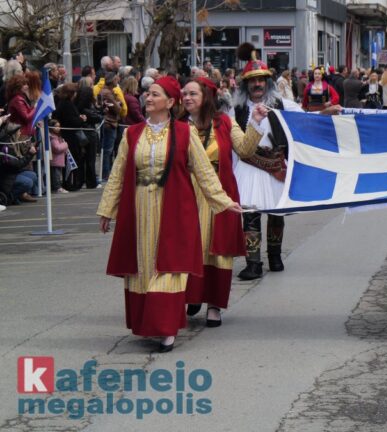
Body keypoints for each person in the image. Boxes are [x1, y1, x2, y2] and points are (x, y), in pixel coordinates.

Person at [97, 76, 243, 352]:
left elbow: (203, 172)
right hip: (139, 208)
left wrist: (223, 202)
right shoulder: (132, 134)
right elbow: (117, 174)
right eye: (147, 94)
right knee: (142, 267)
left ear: (170, 102)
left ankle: (165, 328)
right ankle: (148, 323)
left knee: (169, 266)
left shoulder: (184, 134)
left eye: (154, 94)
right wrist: (107, 209)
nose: (148, 99)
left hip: (174, 209)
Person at [179, 76, 264, 326]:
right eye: (185, 94)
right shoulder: (179, 126)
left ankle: (214, 305)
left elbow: (246, 150)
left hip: (220, 193)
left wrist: (255, 124)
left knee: (218, 252)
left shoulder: (225, 123)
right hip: (187, 193)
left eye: (193, 94)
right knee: (190, 247)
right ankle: (192, 295)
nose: (187, 98)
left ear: (206, 97)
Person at [232, 44, 308, 279]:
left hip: (275, 168)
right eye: (252, 81)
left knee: (276, 214)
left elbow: (307, 123)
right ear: (246, 84)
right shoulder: (235, 110)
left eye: (261, 80)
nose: (257, 85)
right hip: (248, 167)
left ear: (268, 82)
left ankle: (274, 256)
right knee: (251, 214)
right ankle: (253, 263)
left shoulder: (284, 106)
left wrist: (329, 114)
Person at [48, 119, 69, 193]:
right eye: (56, 126)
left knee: (58, 175)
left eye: (59, 126)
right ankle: (57, 187)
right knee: (56, 175)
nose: (58, 128)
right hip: (55, 160)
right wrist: (65, 144)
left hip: (59, 160)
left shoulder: (57, 136)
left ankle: (58, 187)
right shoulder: (52, 138)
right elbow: (57, 148)